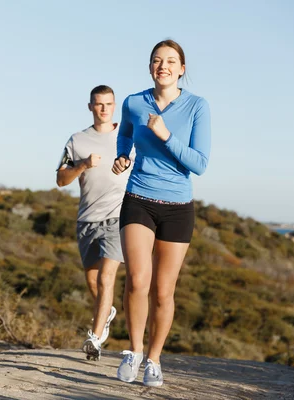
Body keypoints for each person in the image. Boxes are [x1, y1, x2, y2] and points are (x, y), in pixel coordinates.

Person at [112, 39, 211, 387]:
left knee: (164, 290)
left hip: (178, 207)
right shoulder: (134, 102)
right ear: (150, 67)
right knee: (138, 280)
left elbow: (199, 163)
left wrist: (165, 134)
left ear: (182, 69)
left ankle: (154, 359)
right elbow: (125, 134)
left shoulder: (198, 106)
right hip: (139, 197)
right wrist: (122, 156)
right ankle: (134, 351)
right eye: (157, 60)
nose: (163, 66)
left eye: (171, 61)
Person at [56, 85, 133, 361]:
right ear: (90, 107)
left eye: (108, 104)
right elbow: (61, 180)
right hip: (87, 219)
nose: (103, 109)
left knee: (106, 277)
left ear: (114, 106)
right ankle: (107, 311)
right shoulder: (77, 140)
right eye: (98, 104)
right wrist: (83, 166)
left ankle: (95, 337)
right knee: (93, 281)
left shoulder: (127, 136)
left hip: (117, 216)